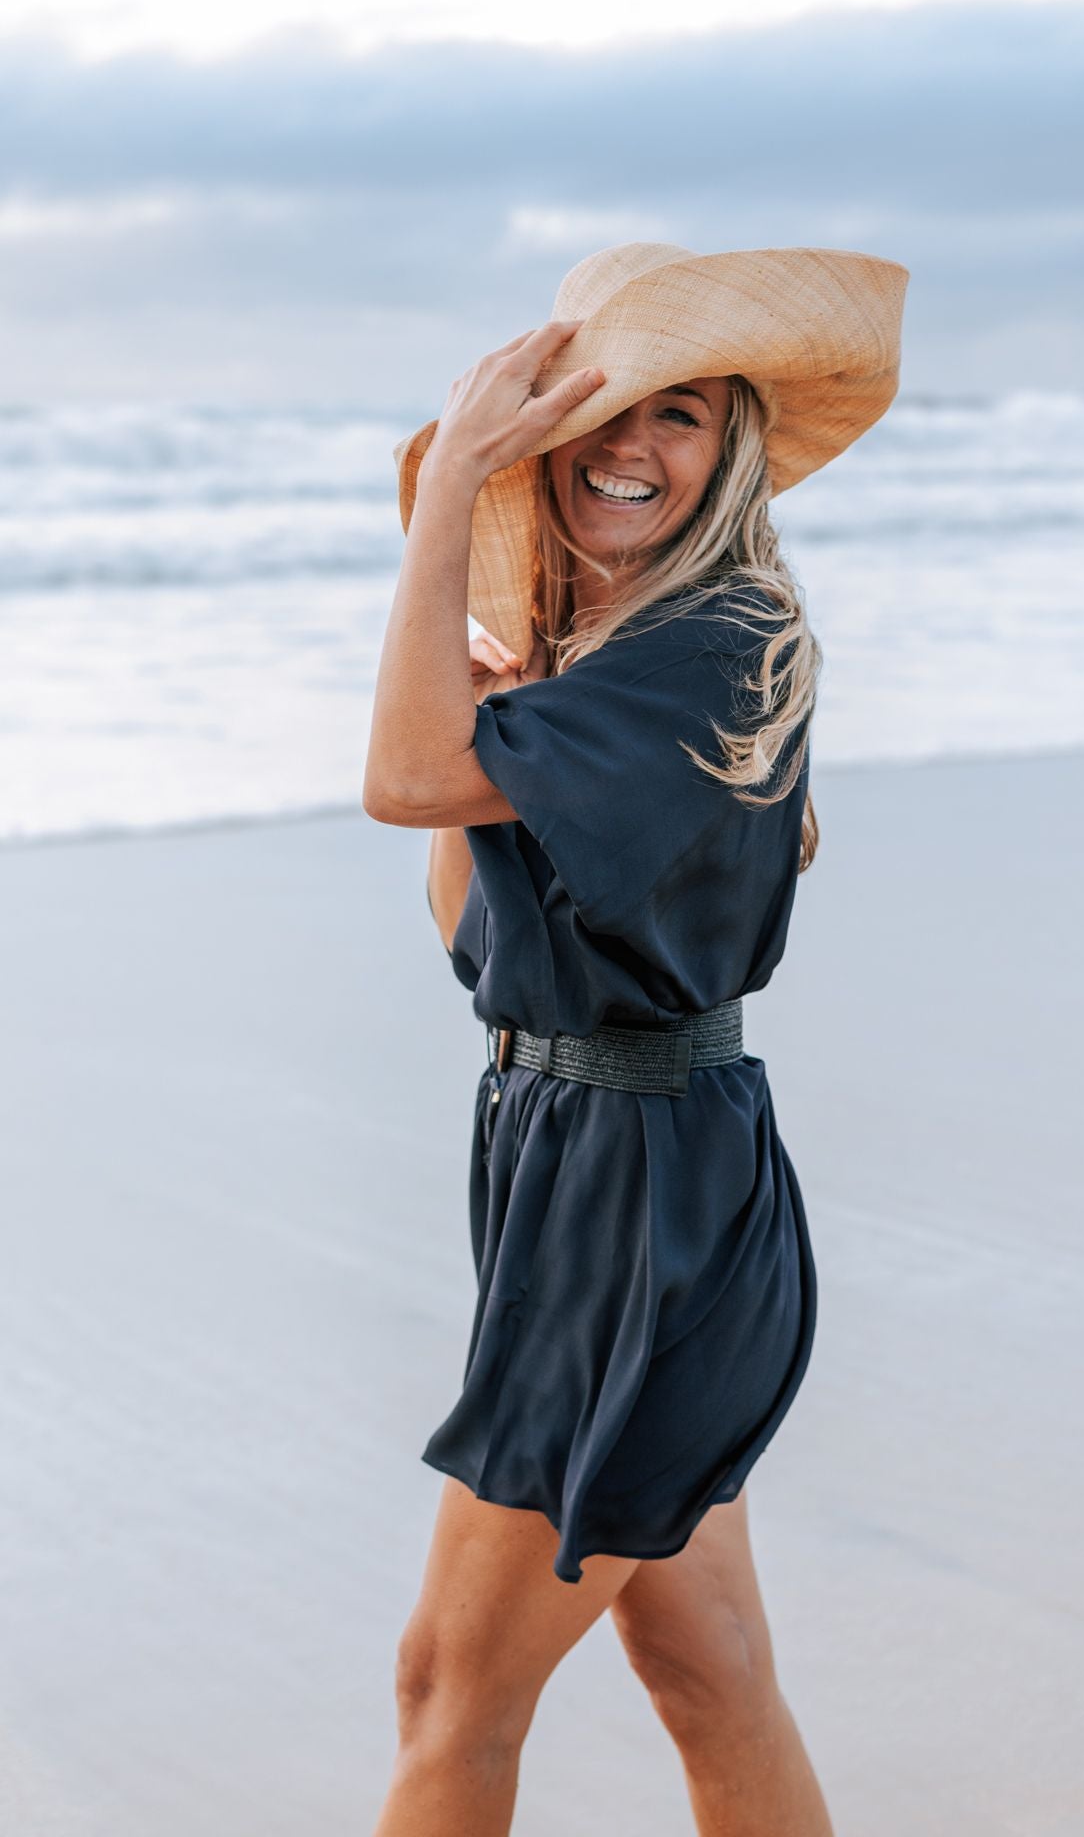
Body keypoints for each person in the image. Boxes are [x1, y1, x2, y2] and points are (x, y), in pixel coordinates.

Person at [363, 243, 908, 1836]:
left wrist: (452, 485)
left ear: (729, 450)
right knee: (709, 1668)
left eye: (678, 414)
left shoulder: (717, 646)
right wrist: (510, 688)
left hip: (636, 1206)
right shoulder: (607, 667)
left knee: (446, 1694)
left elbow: (397, 776)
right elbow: (470, 932)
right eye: (601, 409)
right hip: (594, 1165)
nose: (630, 445)